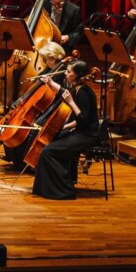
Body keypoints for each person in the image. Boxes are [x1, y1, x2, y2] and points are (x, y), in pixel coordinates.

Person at [32, 59, 99, 200]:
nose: (65, 74)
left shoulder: (84, 93)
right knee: (51, 143)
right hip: (80, 132)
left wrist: (71, 103)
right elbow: (64, 92)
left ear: (77, 75)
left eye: (69, 72)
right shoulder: (77, 88)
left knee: (48, 152)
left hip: (87, 136)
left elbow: (83, 120)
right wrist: (51, 83)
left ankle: (64, 189)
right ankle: (47, 188)